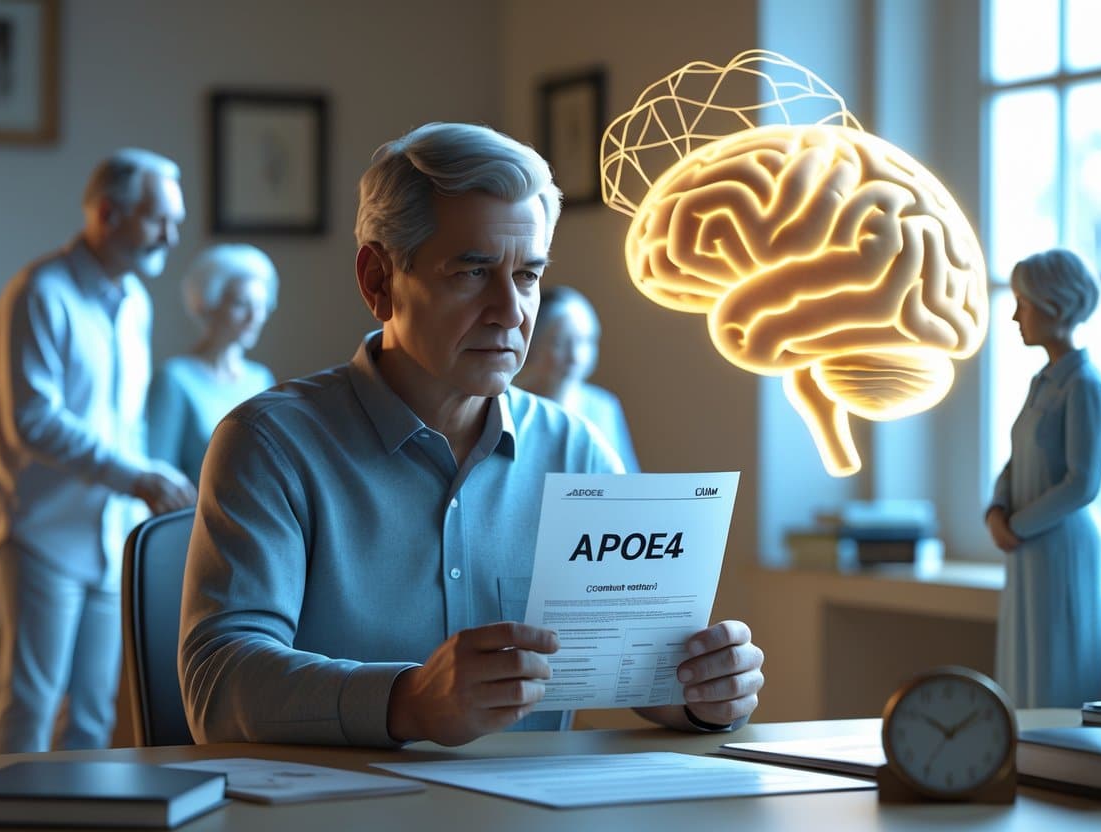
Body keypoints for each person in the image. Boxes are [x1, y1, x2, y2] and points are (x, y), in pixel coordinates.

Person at [178, 122, 765, 748]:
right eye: (473, 272)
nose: (511, 313)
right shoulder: (270, 445)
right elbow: (218, 685)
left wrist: (700, 692)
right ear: (378, 281)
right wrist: (406, 703)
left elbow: (634, 674)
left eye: (528, 276)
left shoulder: (578, 450)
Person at [0, 148, 198, 753]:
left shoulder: (135, 304)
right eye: (160, 219)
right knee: (32, 703)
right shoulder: (40, 293)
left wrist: (143, 485)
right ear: (108, 213)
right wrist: (136, 476)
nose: (172, 235)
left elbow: (124, 424)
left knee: (95, 714)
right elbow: (33, 419)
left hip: (108, 535)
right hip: (39, 532)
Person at [985, 248, 1101, 708]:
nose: (1017, 316)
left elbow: (1082, 482)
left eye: (1025, 303)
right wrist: (996, 509)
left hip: (1058, 547)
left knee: (1055, 666)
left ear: (1054, 305)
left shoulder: (1085, 386)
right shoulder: (1043, 381)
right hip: (1026, 548)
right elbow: (1017, 456)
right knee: (1024, 664)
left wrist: (1017, 526)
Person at [147, 244, 279, 485]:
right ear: (207, 304)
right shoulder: (175, 379)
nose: (254, 317)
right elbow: (160, 477)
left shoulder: (260, 379)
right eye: (241, 304)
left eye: (260, 305)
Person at [513, 285, 640, 471]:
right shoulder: (515, 403)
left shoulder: (603, 407)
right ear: (533, 344)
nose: (575, 356)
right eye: (559, 342)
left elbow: (625, 477)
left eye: (584, 341)